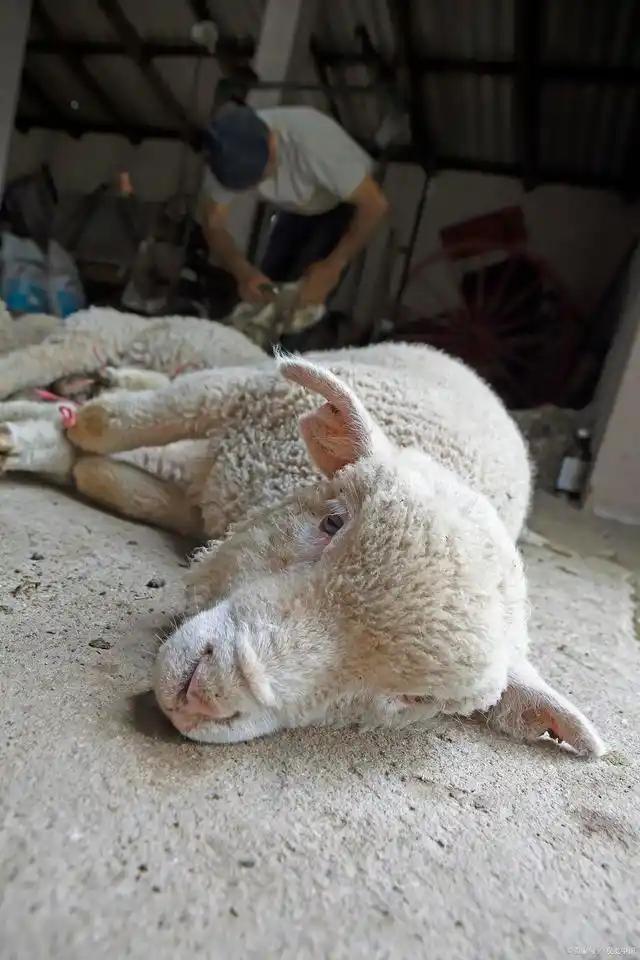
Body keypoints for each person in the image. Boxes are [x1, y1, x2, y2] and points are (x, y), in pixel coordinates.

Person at [200, 103, 389, 308]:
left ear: (272, 144)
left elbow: (375, 206)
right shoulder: (224, 152)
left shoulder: (314, 144)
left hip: (345, 201)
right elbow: (214, 223)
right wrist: (243, 272)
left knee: (308, 296)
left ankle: (299, 323)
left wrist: (335, 264)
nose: (255, 187)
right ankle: (268, 327)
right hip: (300, 205)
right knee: (268, 291)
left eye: (258, 178)